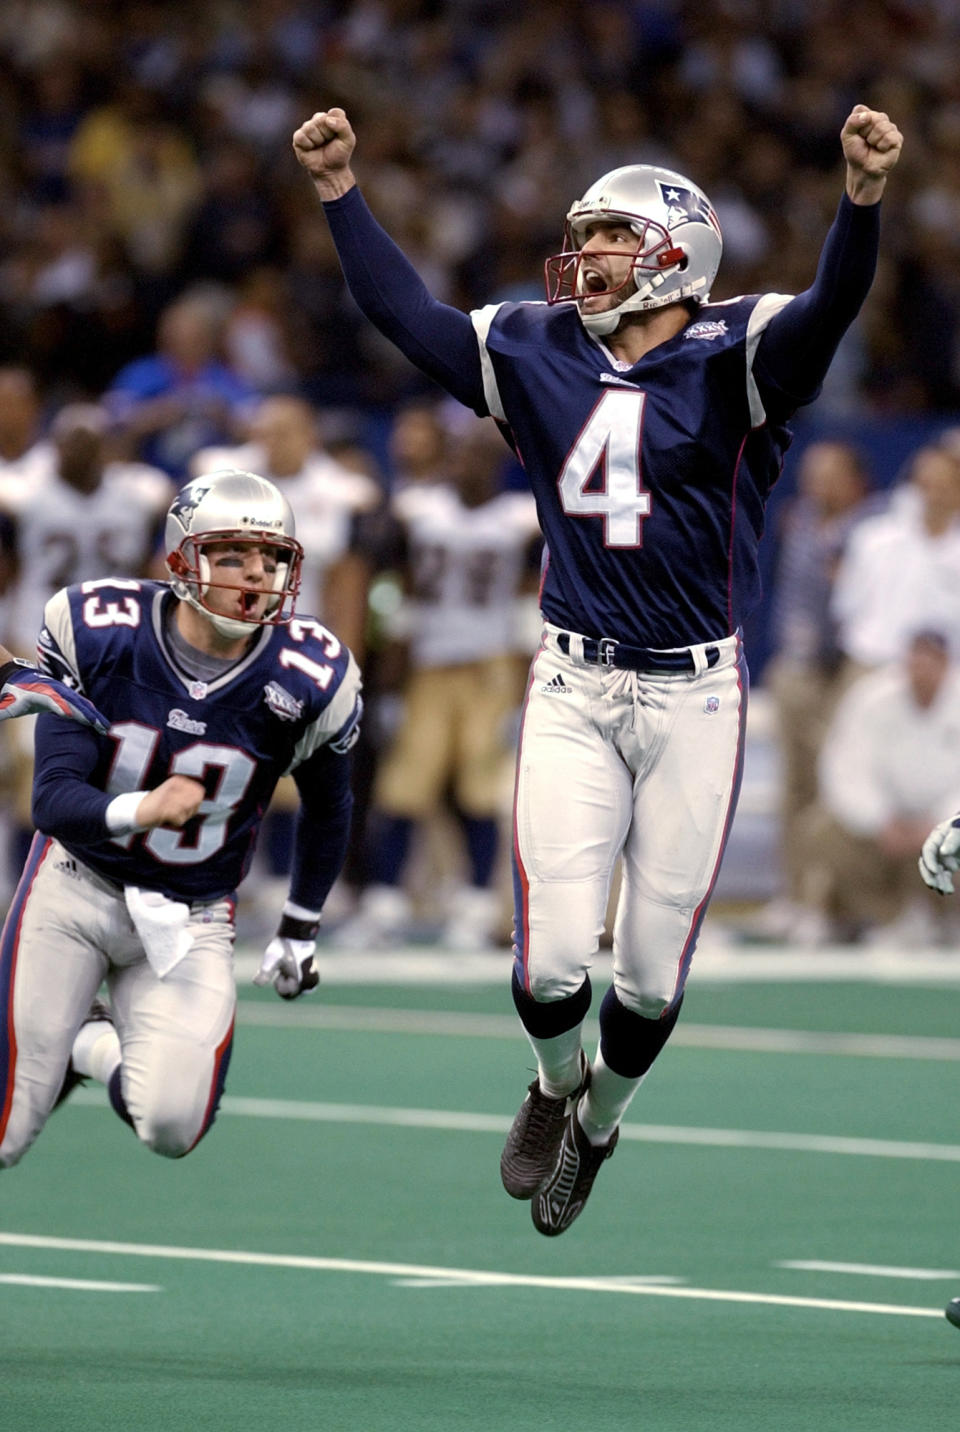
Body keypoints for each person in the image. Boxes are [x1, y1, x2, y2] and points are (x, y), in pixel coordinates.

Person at [293, 101, 902, 1235]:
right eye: (588, 237)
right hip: (573, 682)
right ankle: (548, 1084)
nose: (588, 257)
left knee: (653, 980)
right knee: (549, 967)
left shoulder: (739, 352)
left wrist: (858, 202)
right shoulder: (535, 346)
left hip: (695, 694)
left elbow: (833, 308)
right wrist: (342, 194)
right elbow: (406, 315)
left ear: (677, 250)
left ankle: (601, 1125)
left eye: (613, 237)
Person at [0, 468, 362, 1171]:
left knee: (171, 1126)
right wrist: (145, 807)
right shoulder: (100, 629)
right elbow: (53, 800)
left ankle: (91, 1041)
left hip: (191, 914)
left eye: (273, 557)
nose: (256, 573)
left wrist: (301, 924)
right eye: (231, 555)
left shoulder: (313, 674)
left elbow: (330, 804)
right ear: (180, 563)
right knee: (6, 1134)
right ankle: (78, 1037)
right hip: (76, 886)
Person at [337, 413, 541, 951]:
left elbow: (526, 603)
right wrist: (387, 687)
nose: (470, 467)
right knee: (402, 787)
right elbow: (399, 596)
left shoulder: (520, 519)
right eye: (463, 457)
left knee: (478, 791)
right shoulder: (418, 512)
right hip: (428, 666)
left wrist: (525, 691)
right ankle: (385, 903)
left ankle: (474, 905)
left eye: (481, 458)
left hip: (490, 667)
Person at [791, 629, 960, 946]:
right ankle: (889, 917)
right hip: (887, 827)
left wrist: (937, 823)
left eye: (931, 662)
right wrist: (880, 819)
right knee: (822, 830)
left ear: (946, 664)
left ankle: (949, 918)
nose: (922, 671)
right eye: (916, 660)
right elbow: (843, 769)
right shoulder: (872, 698)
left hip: (945, 828)